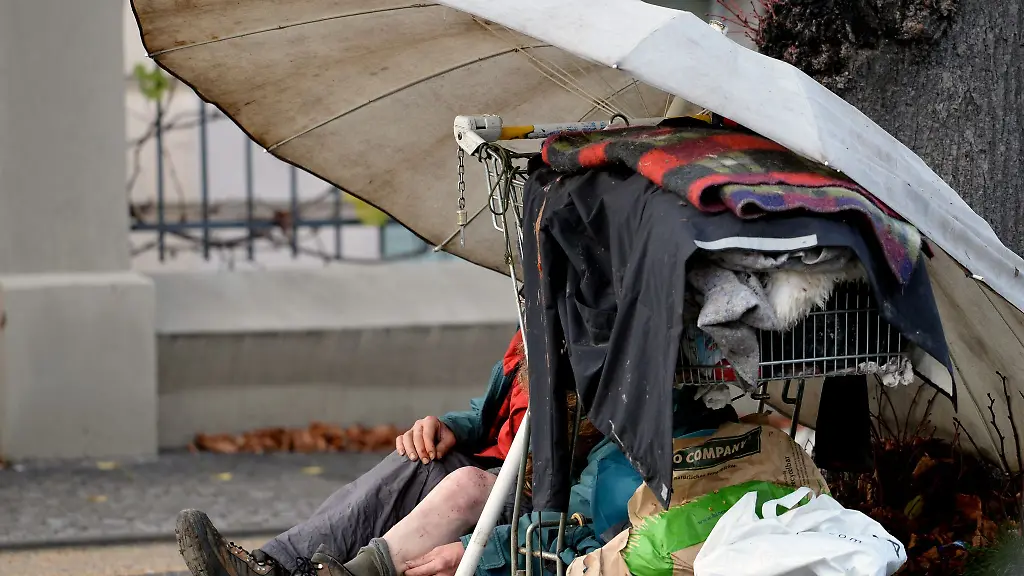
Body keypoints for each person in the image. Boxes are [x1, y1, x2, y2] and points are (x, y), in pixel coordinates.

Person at [175, 330, 530, 576]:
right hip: (495, 465)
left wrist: (481, 548)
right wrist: (453, 427)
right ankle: (271, 565)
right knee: (418, 460)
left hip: (535, 501)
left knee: (463, 485)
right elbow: (495, 413)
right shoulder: (537, 322)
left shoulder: (584, 347)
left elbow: (582, 509)